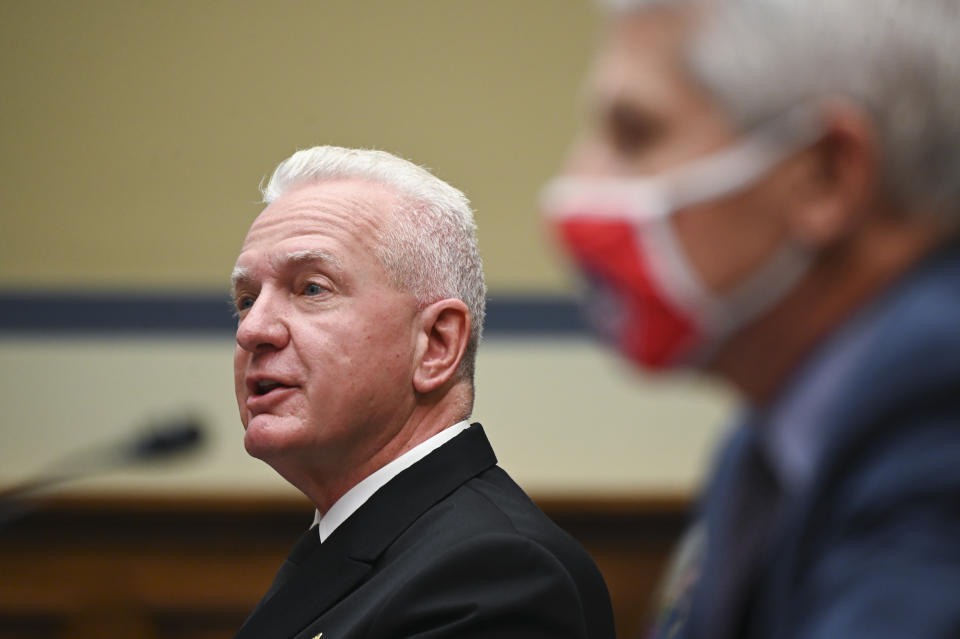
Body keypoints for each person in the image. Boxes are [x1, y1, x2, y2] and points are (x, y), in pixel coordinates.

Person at [541, 0, 960, 637]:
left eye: (635, 134)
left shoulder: (935, 399)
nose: (579, 181)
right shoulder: (764, 442)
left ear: (826, 175)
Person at [229, 145, 615, 639]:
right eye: (245, 299)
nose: (252, 329)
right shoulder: (362, 541)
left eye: (312, 289)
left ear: (436, 344)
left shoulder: (495, 575)